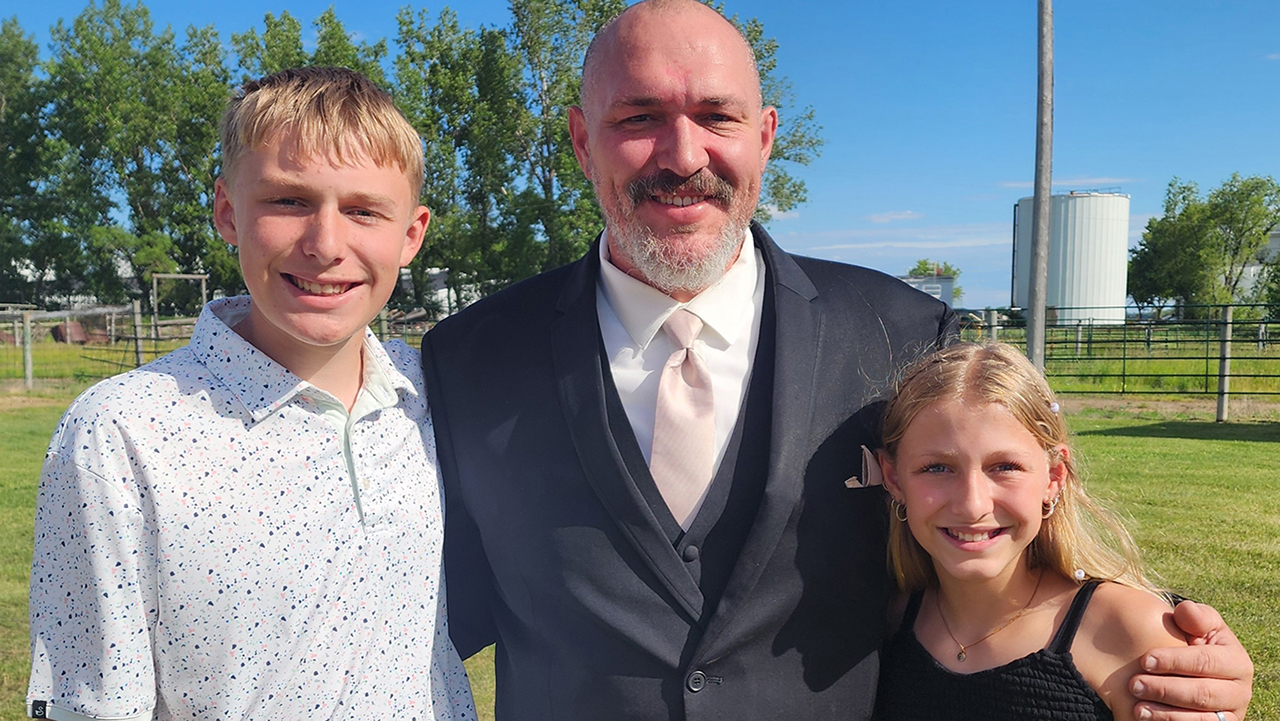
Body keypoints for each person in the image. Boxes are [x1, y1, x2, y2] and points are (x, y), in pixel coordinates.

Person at [422, 1, 1252, 719]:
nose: (682, 155)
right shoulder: (469, 360)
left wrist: (1171, 642)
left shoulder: (902, 334)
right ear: (579, 138)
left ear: (766, 134)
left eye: (717, 116)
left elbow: (993, 540)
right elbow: (417, 610)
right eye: (638, 118)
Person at [28, 67, 475, 720]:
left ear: (411, 234)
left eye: (362, 210)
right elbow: (90, 702)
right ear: (227, 211)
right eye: (289, 201)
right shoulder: (121, 432)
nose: (325, 244)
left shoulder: (440, 396)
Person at [873, 342, 1190, 721]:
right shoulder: (887, 623)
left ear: (1054, 477)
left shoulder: (1129, 630)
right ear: (893, 478)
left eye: (1005, 466)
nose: (973, 505)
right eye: (937, 468)